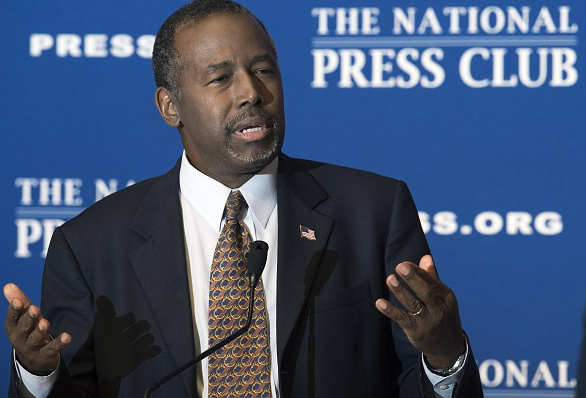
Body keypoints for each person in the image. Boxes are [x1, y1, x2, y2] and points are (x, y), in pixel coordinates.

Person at [4, 0, 483, 397]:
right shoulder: (89, 246)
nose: (252, 92)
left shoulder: (372, 211)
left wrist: (444, 356)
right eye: (220, 78)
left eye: (264, 70)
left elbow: (416, 377)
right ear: (170, 106)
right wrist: (39, 375)